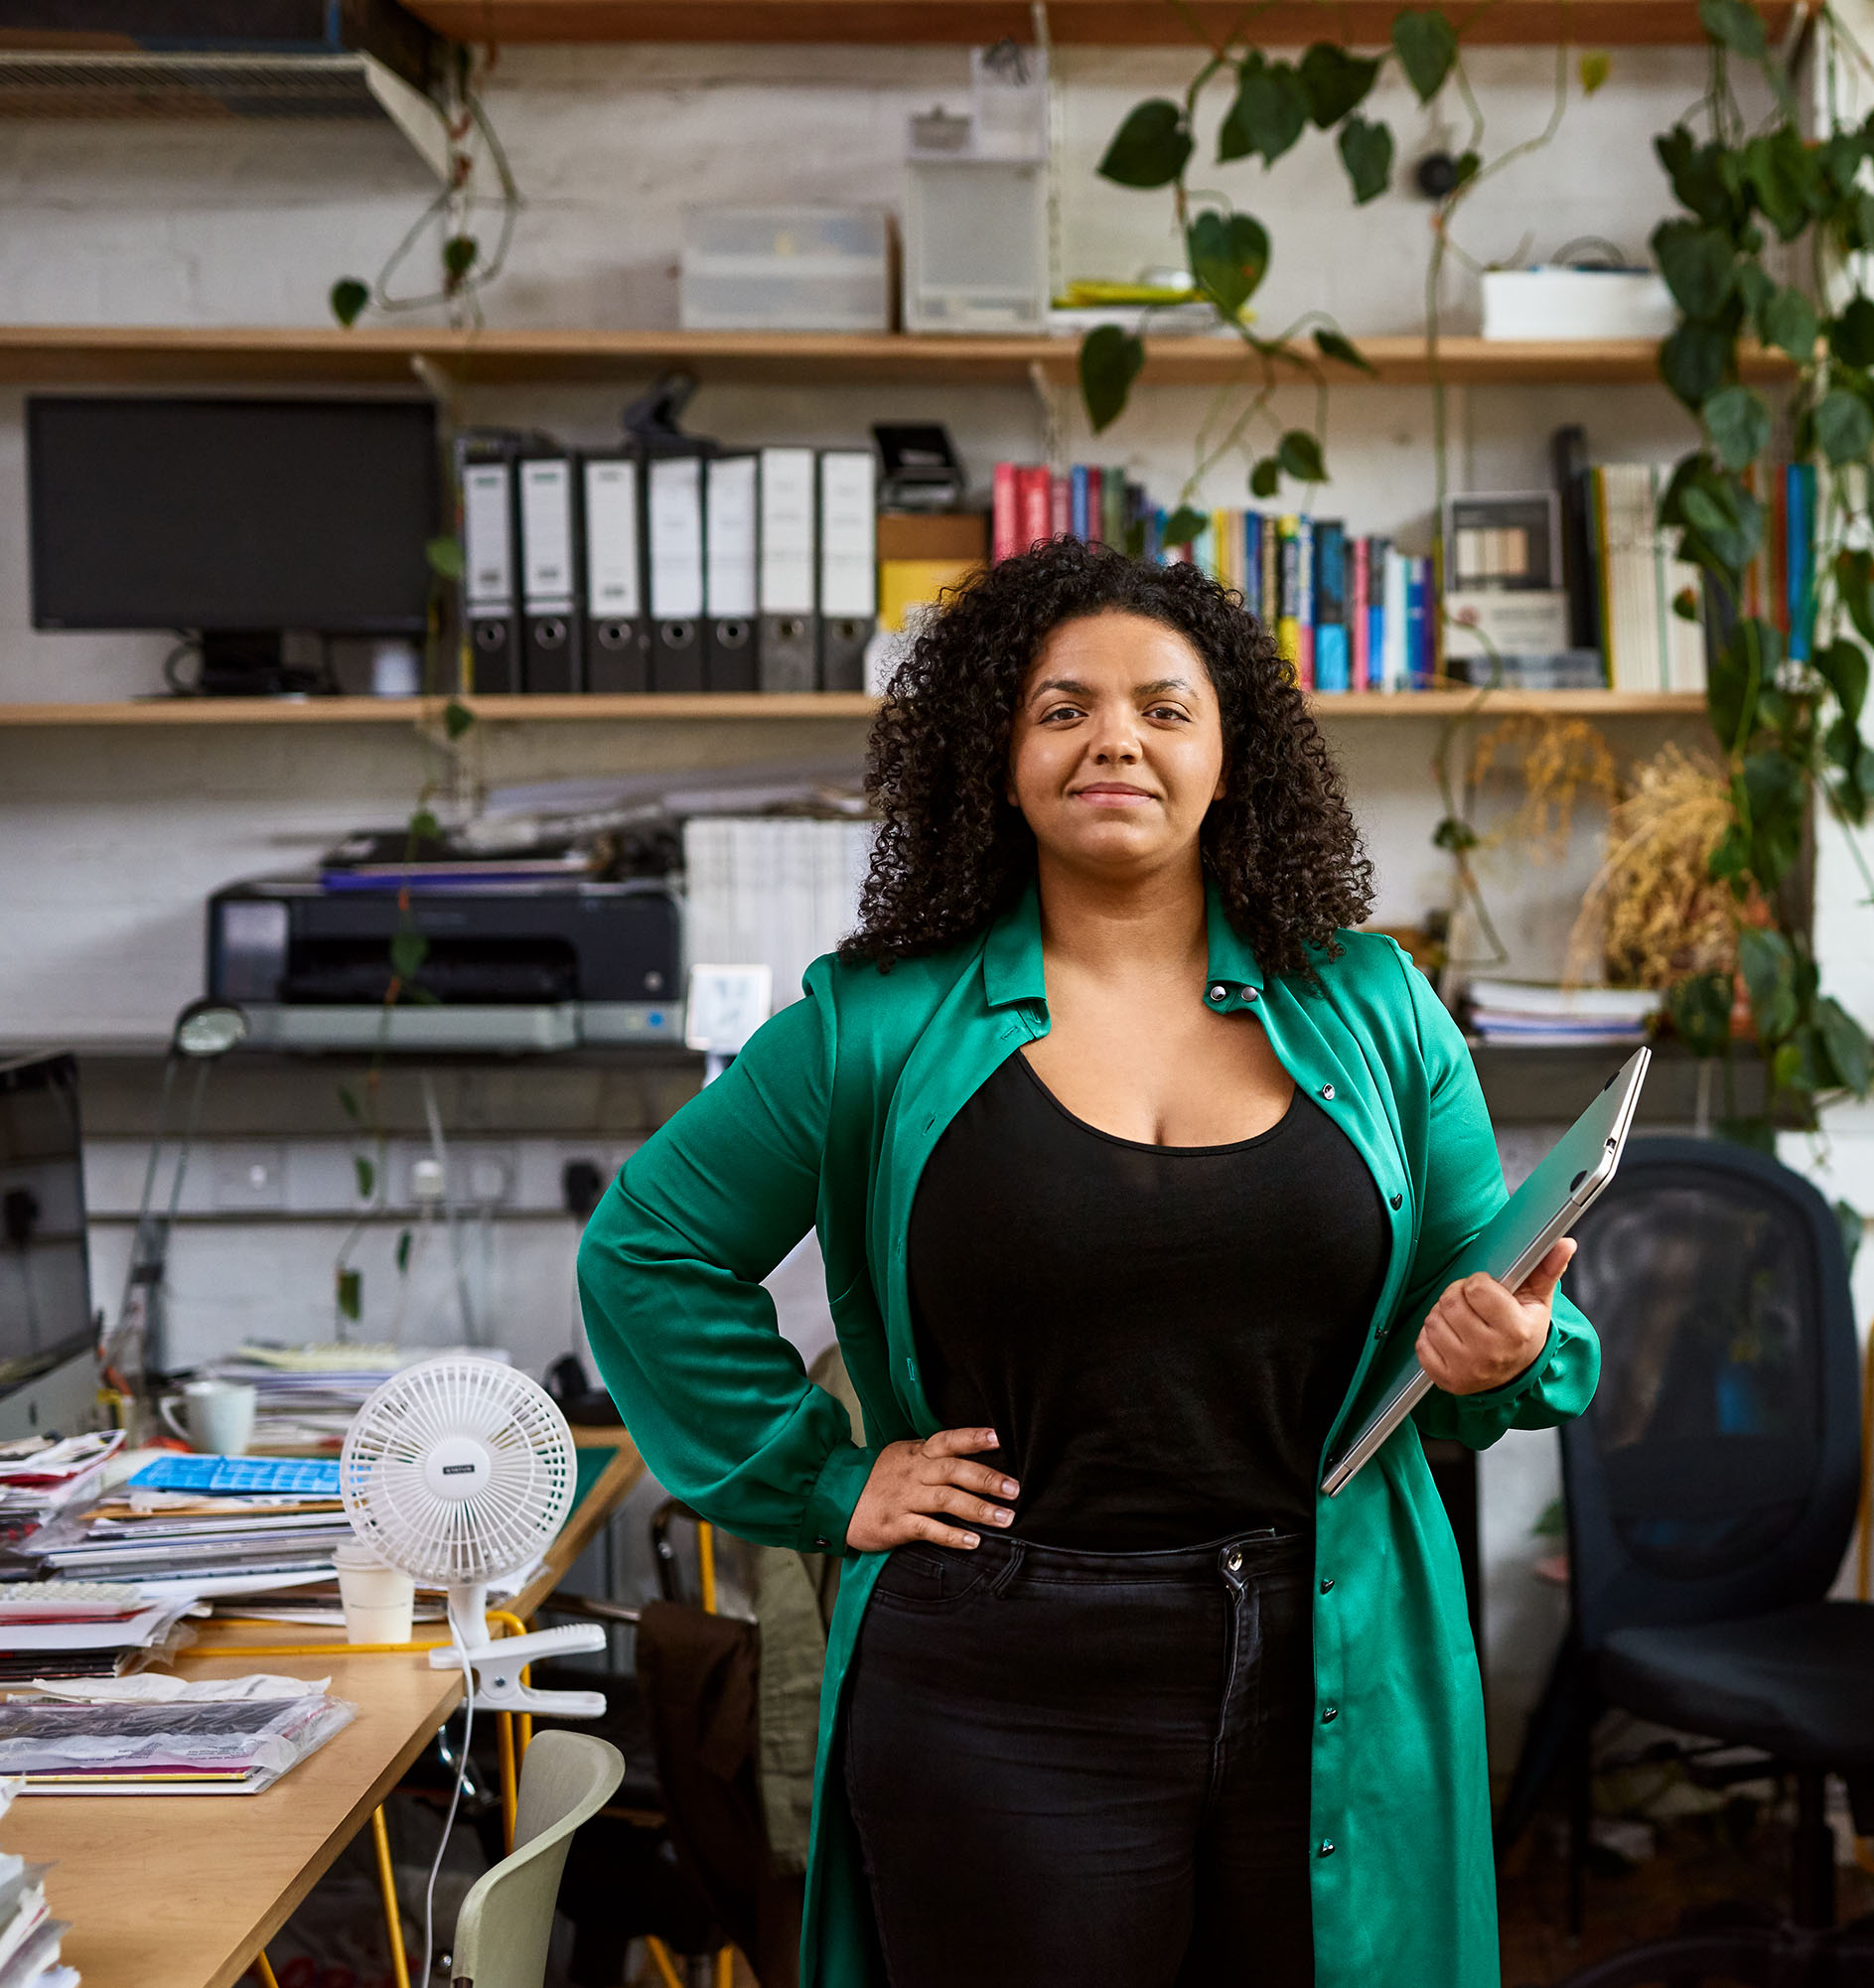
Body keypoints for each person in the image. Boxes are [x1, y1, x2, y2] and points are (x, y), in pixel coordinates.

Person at [578, 536, 1600, 1988]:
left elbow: (1490, 1299)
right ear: (996, 758)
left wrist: (1507, 1349)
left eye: (1165, 708)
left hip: (1333, 1657)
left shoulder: (1372, 1005)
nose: (1115, 736)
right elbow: (651, 1246)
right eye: (1063, 708)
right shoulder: (877, 1022)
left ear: (1231, 756)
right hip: (1000, 1680)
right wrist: (825, 1473)